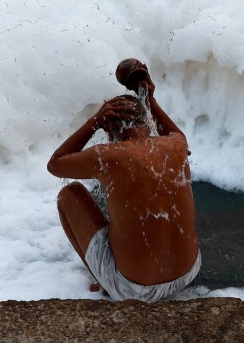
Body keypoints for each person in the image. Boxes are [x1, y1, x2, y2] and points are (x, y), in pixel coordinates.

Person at [47, 59, 200, 302]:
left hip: (133, 289)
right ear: (147, 121)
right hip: (188, 273)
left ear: (108, 130)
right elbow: (175, 133)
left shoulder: (108, 155)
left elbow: (55, 164)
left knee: (69, 194)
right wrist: (150, 100)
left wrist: (94, 120)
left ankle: (105, 283)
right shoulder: (176, 144)